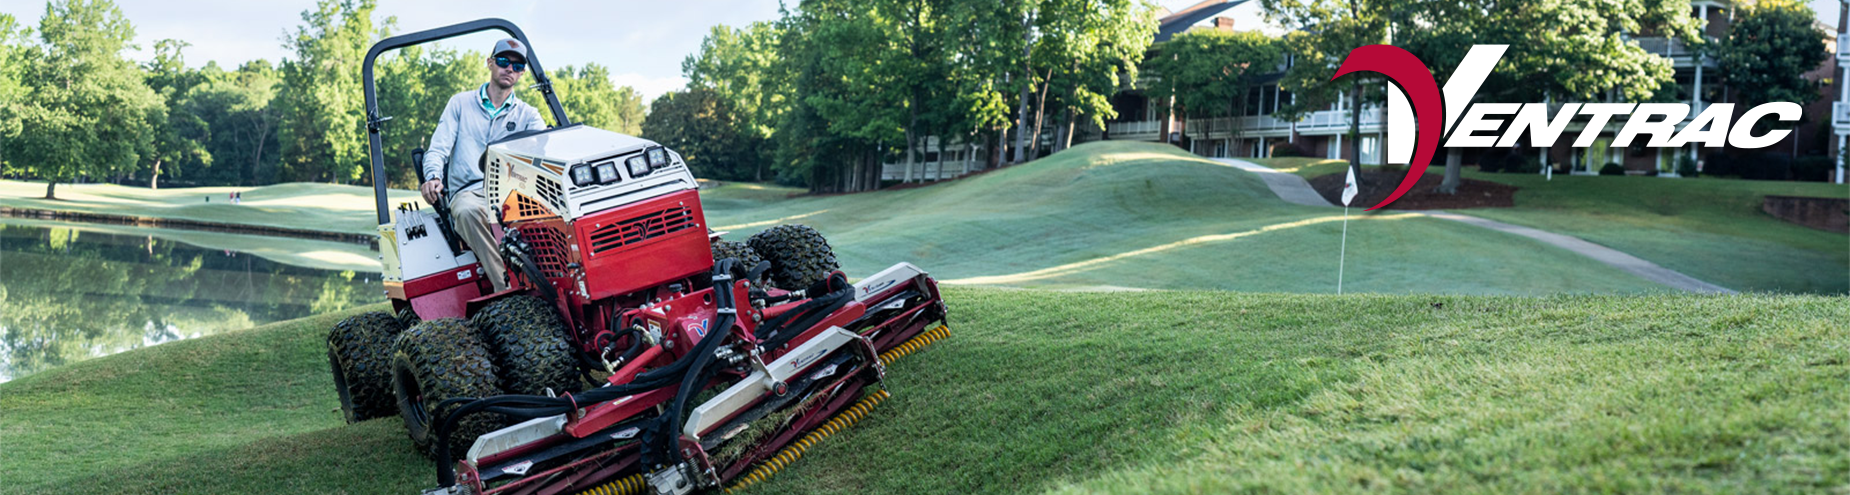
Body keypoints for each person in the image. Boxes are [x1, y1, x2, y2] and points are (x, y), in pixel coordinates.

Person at [419, 38, 548, 292]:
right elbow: (438, 148)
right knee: (468, 212)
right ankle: (508, 290)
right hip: (469, 192)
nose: (509, 69)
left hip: (511, 192)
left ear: (522, 73)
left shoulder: (528, 115)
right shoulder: (460, 103)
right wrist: (433, 176)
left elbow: (544, 152)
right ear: (490, 63)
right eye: (503, 61)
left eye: (517, 66)